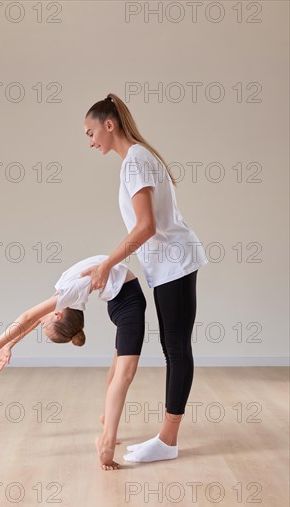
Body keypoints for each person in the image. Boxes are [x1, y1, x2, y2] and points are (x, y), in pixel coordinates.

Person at [81, 94, 209, 463]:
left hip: (175, 263)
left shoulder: (135, 160)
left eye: (91, 132)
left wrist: (107, 264)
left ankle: (168, 441)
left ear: (110, 125)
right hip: (170, 264)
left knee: (177, 347)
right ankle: (166, 439)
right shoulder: (136, 158)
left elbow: (147, 226)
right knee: (173, 347)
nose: (90, 141)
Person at [0, 255, 146, 470]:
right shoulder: (67, 298)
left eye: (45, 327)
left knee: (122, 371)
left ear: (56, 316)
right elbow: (34, 319)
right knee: (124, 371)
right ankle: (107, 439)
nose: (42, 324)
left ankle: (107, 430)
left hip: (124, 301)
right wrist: (8, 346)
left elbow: (29, 317)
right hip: (126, 301)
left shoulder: (68, 294)